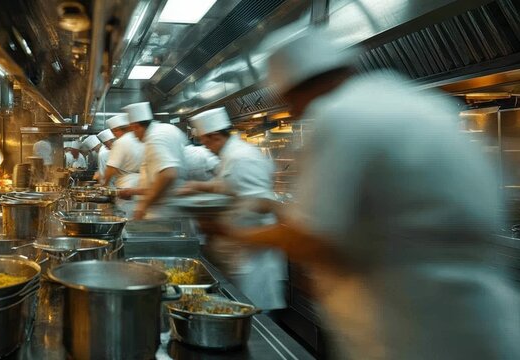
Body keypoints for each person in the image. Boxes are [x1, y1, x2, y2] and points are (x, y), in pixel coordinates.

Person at [200, 29, 520, 359]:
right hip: (478, 316)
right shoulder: (414, 101)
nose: (294, 112)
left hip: (406, 328)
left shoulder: (339, 115)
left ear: (297, 89)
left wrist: (232, 233)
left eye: (288, 100)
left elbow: (315, 238)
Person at [180, 107, 286, 310]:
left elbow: (264, 203)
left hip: (251, 258)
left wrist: (222, 217)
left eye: (205, 141)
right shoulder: (230, 155)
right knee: (238, 307)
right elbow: (229, 186)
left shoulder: (241, 157)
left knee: (255, 318)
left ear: (214, 136)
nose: (205, 147)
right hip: (236, 253)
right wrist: (199, 186)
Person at [122, 102, 189, 220]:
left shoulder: (155, 137)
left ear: (137, 126)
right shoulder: (168, 129)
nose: (134, 136)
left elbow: (168, 174)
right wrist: (133, 191)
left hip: (162, 213)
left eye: (133, 130)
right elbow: (159, 179)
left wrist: (142, 207)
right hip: (175, 208)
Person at [101, 114, 144, 217]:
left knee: (125, 220)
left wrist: (104, 185)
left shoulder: (121, 142)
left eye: (113, 132)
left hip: (126, 189)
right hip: (141, 189)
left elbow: (111, 168)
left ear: (116, 130)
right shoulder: (141, 140)